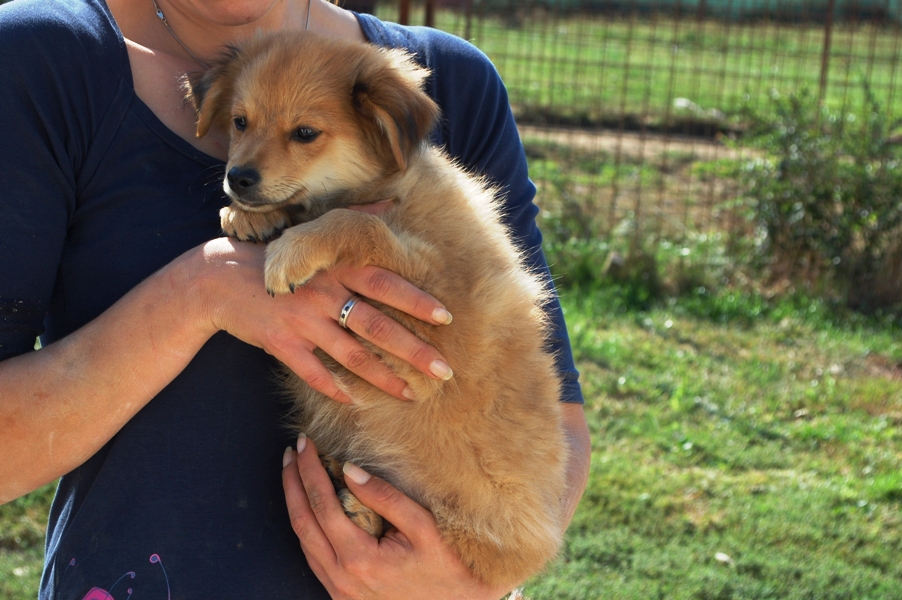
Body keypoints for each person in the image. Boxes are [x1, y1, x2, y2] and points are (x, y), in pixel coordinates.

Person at [0, 0, 591, 597]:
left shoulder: (448, 82)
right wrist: (201, 291)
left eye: (304, 135)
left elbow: (551, 417)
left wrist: (473, 584)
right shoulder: (41, 61)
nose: (246, 164)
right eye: (239, 123)